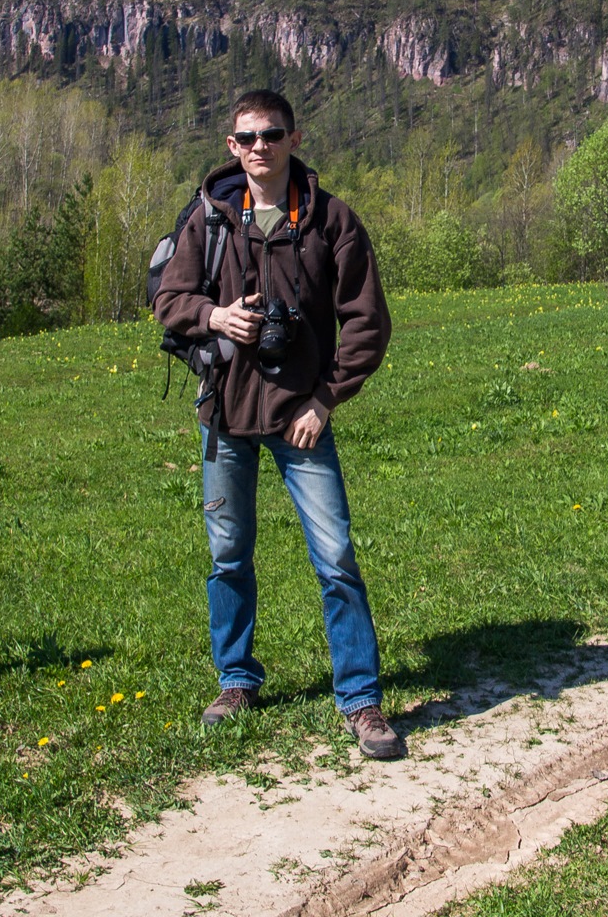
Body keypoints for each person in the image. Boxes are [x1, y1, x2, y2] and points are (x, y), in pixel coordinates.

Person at [153, 89, 401, 759]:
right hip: (225, 413)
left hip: (301, 418)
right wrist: (215, 317)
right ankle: (236, 680)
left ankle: (361, 699)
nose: (259, 147)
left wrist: (325, 399)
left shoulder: (331, 223)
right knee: (228, 555)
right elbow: (169, 299)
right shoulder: (208, 220)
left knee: (337, 557)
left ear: (295, 138)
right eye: (246, 138)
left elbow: (368, 324)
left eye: (272, 134)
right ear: (231, 147)